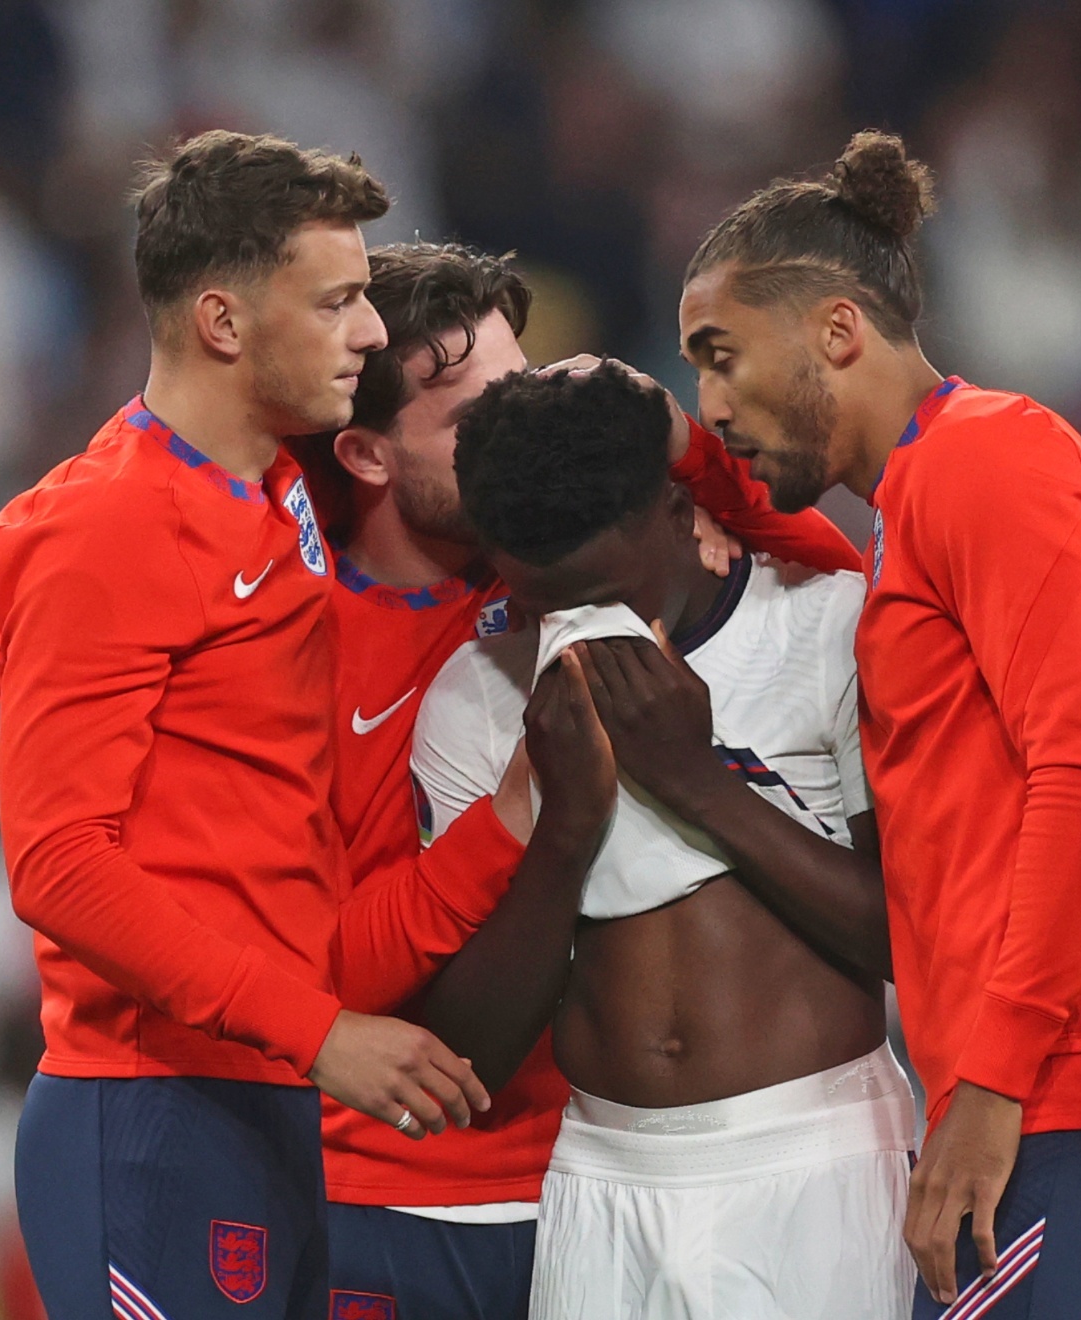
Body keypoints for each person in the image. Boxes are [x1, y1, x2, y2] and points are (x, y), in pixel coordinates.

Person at [674, 129, 1081, 1318]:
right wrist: (686, 461)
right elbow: (829, 556)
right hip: (1041, 1098)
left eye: (721, 359)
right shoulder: (924, 492)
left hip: (1079, 1099)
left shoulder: (989, 462)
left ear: (834, 331)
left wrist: (990, 1085)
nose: (709, 404)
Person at [0, 132, 508, 1320]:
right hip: (148, 1107)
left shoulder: (279, 484)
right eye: (335, 302)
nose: (370, 332)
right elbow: (58, 864)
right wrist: (321, 1031)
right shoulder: (108, 525)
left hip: (261, 1097)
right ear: (222, 322)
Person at [313, 242, 862, 1317]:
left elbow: (846, 598)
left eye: (522, 390)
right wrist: (543, 817)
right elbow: (338, 981)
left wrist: (688, 458)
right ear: (369, 457)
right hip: (472, 1187)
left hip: (776, 1157)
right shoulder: (425, 668)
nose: (516, 432)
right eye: (471, 421)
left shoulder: (754, 600)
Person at [411, 363, 914, 1319]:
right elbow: (464, 1052)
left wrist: (696, 781)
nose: (576, 628)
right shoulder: (476, 696)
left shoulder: (825, 628)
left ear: (679, 512)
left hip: (819, 1155)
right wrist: (560, 826)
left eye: (600, 590)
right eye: (540, 600)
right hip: (601, 1176)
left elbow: (908, 943)